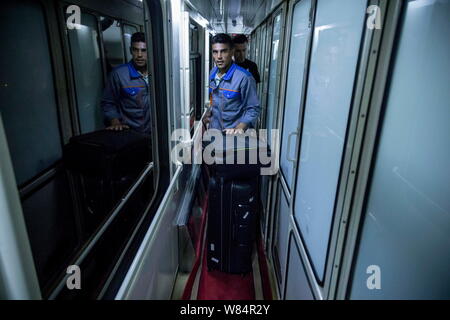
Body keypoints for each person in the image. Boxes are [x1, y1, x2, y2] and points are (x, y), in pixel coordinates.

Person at [206, 33, 260, 135]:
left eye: (223, 51)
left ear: (232, 52)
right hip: (214, 132)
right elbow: (214, 99)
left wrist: (239, 128)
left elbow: (253, 108)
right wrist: (208, 114)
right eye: (215, 52)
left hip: (234, 137)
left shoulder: (245, 78)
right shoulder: (212, 73)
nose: (219, 57)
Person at [101, 32, 151, 134]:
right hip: (132, 134)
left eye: (144, 50)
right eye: (135, 50)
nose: (139, 55)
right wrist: (115, 122)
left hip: (157, 133)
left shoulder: (159, 73)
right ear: (130, 50)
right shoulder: (118, 74)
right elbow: (108, 102)